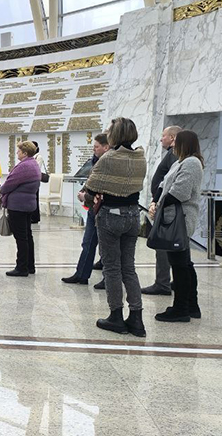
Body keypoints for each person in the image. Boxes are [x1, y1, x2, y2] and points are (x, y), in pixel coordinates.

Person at [82, 117, 148, 337]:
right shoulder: (140, 156)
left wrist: (86, 196)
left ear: (115, 134)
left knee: (111, 268)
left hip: (111, 216)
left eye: (110, 130)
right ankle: (136, 318)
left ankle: (116, 316)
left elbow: (91, 189)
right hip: (133, 215)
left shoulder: (109, 157)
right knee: (128, 267)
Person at [150, 130, 204, 322]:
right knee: (183, 263)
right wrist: (155, 201)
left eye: (176, 143)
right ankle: (191, 306)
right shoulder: (180, 162)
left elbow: (179, 192)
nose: (172, 146)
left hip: (180, 219)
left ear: (183, 144)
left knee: (180, 265)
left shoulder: (192, 163)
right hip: (172, 216)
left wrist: (159, 206)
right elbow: (163, 184)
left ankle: (181, 308)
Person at [62, 133, 109, 285]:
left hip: (103, 209)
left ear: (106, 147)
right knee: (88, 242)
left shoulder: (108, 164)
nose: (94, 149)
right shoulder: (96, 162)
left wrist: (86, 197)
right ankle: (81, 274)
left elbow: (102, 189)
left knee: (107, 248)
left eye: (96, 147)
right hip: (93, 209)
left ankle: (109, 279)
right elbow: (91, 182)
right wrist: (83, 191)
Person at [142, 126, 181, 296]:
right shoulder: (172, 154)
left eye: (163, 136)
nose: (161, 139)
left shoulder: (174, 155)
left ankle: (162, 283)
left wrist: (157, 202)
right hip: (163, 204)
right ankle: (173, 281)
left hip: (166, 207)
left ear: (172, 138)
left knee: (163, 247)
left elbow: (169, 182)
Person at [1, 141, 41, 277]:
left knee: (21, 237)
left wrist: (0, 191)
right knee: (27, 235)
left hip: (18, 206)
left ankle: (21, 267)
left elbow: (9, 184)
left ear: (25, 153)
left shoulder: (24, 166)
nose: (17, 153)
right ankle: (30, 266)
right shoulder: (33, 163)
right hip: (28, 205)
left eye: (18, 151)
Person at [31, 141, 47, 223]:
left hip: (35, 180)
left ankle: (35, 217)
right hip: (30, 180)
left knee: (35, 198)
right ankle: (32, 216)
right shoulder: (30, 156)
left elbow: (36, 168)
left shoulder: (38, 157)